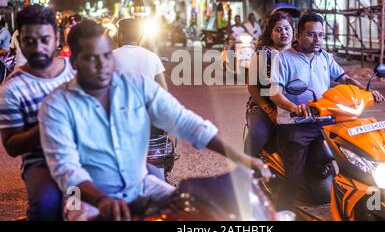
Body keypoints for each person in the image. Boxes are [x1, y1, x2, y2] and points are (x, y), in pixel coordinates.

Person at [38, 20, 270, 221]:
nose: (103, 65)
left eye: (106, 56)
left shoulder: (137, 86)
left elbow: (187, 123)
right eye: (91, 58)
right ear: (74, 61)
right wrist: (101, 200)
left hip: (141, 185)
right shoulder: (56, 106)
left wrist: (241, 158)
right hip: (81, 195)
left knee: (200, 209)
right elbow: (66, 169)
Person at [269, 12, 385, 211]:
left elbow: (344, 78)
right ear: (298, 35)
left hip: (325, 122)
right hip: (296, 125)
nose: (317, 40)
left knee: (355, 158)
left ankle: (358, 202)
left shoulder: (325, 57)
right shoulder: (284, 59)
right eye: (311, 34)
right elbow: (274, 93)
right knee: (293, 178)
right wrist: (294, 107)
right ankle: (281, 214)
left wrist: (365, 92)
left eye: (321, 35)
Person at [0, 5, 76, 220]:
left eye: (45, 40)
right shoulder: (11, 89)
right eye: (29, 41)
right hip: (42, 162)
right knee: (46, 205)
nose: (38, 48)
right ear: (20, 40)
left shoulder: (78, 70)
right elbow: (12, 145)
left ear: (57, 37)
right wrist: (47, 126)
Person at [244, 11, 294, 157]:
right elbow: (252, 87)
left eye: (287, 28)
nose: (283, 33)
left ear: (293, 29)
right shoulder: (262, 54)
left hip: (294, 105)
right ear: (270, 33)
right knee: (257, 134)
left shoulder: (299, 53)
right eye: (278, 30)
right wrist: (270, 111)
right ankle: (246, 169)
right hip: (264, 105)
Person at [113, 17, 167, 90]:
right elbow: (164, 90)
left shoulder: (110, 57)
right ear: (139, 36)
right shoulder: (153, 57)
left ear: (120, 36)